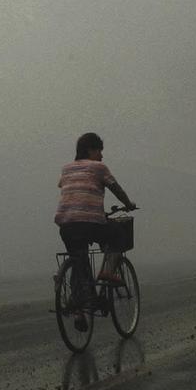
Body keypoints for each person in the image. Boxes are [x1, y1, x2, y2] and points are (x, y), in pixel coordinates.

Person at [54, 132, 137, 330]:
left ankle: (79, 312)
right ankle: (108, 272)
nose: (101, 156)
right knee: (118, 234)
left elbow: (67, 188)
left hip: (66, 224)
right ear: (90, 149)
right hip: (90, 222)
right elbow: (116, 189)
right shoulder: (99, 168)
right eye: (99, 150)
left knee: (79, 262)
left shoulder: (66, 169)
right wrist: (129, 203)